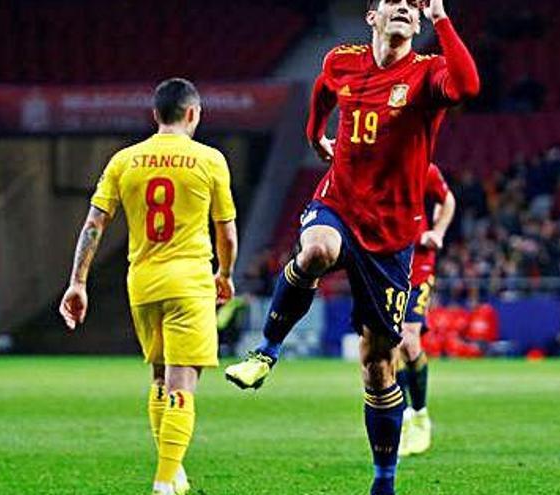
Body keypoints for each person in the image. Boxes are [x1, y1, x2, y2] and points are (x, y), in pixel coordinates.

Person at [224, 1, 478, 493]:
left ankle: (384, 480)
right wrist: (314, 133)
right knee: (317, 248)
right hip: (339, 201)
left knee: (378, 363)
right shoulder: (342, 60)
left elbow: (468, 86)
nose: (404, 6)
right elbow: (321, 92)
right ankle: (266, 351)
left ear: (420, 23)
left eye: (413, 5)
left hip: (391, 235)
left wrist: (443, 16)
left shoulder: (428, 74)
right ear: (373, 17)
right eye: (393, 2)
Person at [58, 78, 238, 495]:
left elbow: (93, 225)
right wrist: (225, 275)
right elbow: (225, 232)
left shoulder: (124, 161)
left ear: (156, 115)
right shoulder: (210, 160)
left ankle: (173, 472)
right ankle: (162, 482)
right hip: (190, 282)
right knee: (183, 383)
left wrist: (77, 283)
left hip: (141, 283)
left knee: (160, 378)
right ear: (193, 114)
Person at [397, 162, 455, 457]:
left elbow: (448, 199)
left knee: (407, 339)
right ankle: (403, 416)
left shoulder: (424, 168)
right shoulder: (369, 165)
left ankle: (419, 414)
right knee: (384, 347)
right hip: (384, 266)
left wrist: (438, 232)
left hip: (418, 266)